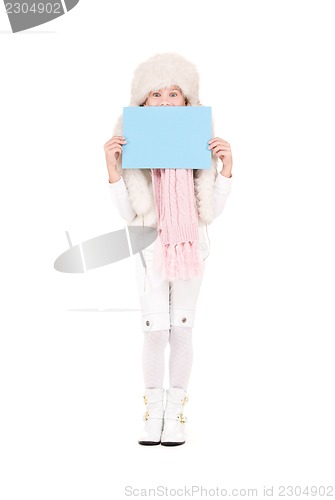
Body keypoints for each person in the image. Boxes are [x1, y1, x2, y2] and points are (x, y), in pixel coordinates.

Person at [104, 53, 233, 446]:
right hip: (149, 250)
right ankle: (152, 413)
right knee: (154, 330)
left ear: (186, 100)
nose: (163, 100)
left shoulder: (198, 147)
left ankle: (176, 414)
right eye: (154, 93)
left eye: (172, 93)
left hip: (193, 246)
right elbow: (130, 212)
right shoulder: (135, 152)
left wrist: (225, 167)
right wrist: (113, 168)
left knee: (182, 328)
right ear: (142, 102)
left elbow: (211, 210)